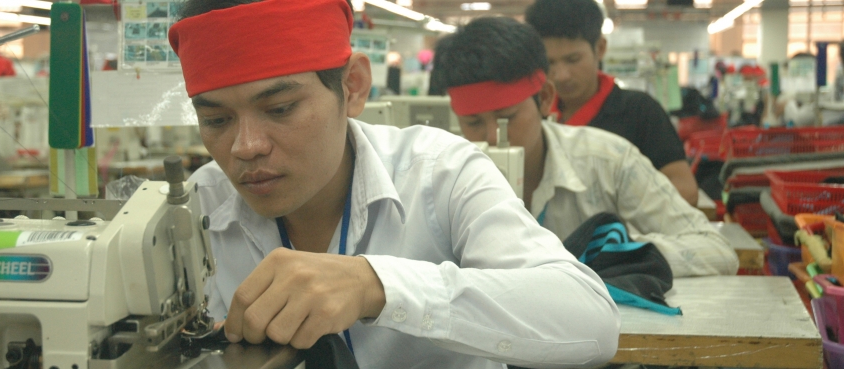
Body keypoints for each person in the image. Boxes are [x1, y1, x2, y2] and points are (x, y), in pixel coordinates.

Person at [168, 0, 619, 368]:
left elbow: (591, 322)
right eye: (216, 119)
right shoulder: (199, 208)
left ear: (354, 86)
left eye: (281, 108)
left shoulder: (439, 174)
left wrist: (377, 286)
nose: (245, 147)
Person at [430, 16, 738, 279]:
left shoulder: (609, 162)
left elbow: (717, 250)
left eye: (507, 119)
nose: (492, 138)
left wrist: (618, 255)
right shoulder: (436, 176)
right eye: (472, 123)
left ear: (546, 99)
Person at [525, 0, 700, 206]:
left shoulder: (640, 112)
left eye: (573, 60)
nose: (561, 75)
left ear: (600, 48)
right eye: (550, 63)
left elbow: (686, 190)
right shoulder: (533, 116)